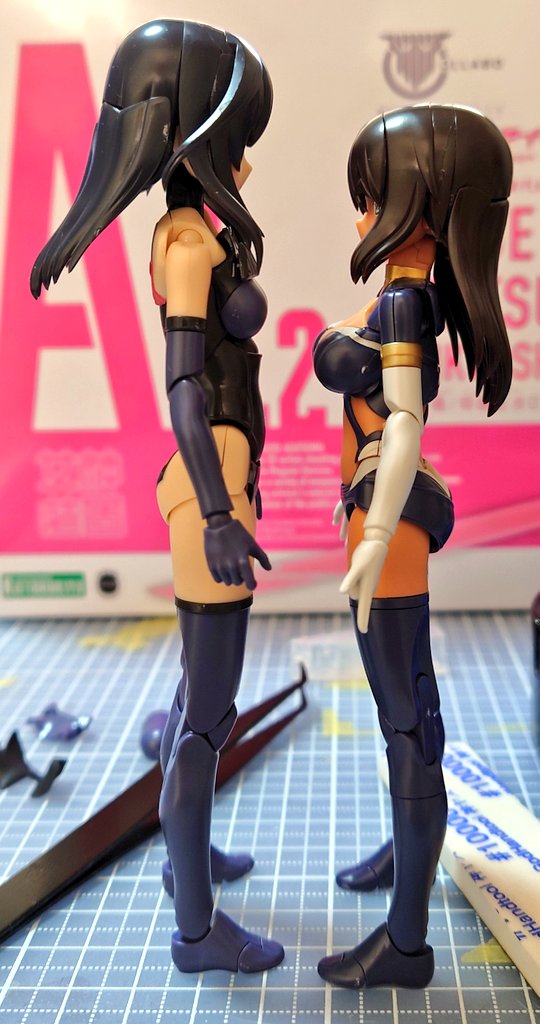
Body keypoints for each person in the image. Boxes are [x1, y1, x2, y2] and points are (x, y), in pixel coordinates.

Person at [31, 19, 283, 974]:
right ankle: (196, 931)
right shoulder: (186, 246)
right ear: (196, 136)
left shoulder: (194, 231)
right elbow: (183, 390)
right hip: (209, 486)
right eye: (240, 136)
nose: (247, 159)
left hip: (221, 478)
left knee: (194, 699)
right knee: (208, 717)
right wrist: (218, 513)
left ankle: (190, 861)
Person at [313, 104, 512, 988]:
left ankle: (407, 943)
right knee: (403, 711)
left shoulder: (400, 302)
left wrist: (378, 532)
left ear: (421, 206)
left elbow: (402, 424)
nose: (363, 212)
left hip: (386, 526)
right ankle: (407, 853)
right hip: (377, 516)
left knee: (407, 722)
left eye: (375, 194)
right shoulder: (407, 294)